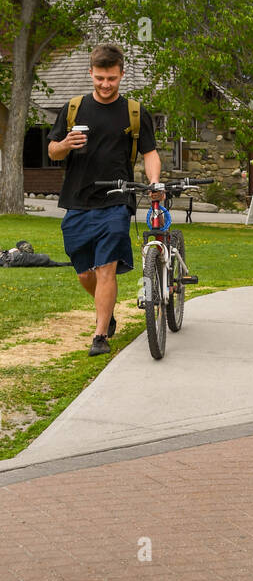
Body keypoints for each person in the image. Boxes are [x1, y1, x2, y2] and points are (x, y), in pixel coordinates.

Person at [47, 43, 160, 356]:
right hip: (77, 200)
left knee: (105, 268)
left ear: (122, 74)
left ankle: (100, 336)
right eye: (99, 78)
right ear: (91, 74)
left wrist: (154, 182)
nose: (105, 84)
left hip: (116, 201)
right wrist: (66, 143)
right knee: (85, 272)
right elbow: (52, 151)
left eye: (111, 78)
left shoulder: (134, 112)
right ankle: (106, 313)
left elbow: (150, 153)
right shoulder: (73, 108)